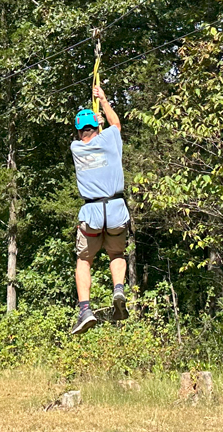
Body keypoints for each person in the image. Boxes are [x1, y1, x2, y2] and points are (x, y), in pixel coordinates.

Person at [68, 84, 129, 335]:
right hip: (115, 209)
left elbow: (98, 136)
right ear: (96, 127)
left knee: (84, 259)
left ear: (79, 131)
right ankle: (118, 290)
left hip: (91, 213)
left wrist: (98, 121)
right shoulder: (110, 139)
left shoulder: (76, 148)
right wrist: (103, 100)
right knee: (116, 254)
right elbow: (116, 125)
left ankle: (85, 310)